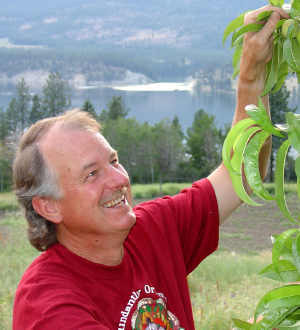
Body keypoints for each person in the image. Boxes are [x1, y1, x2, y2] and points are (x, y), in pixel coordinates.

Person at [12, 5, 289, 330]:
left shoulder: (151, 230)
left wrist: (253, 75)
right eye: (92, 174)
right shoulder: (48, 303)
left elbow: (243, 174)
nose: (119, 179)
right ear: (49, 206)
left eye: (114, 161)